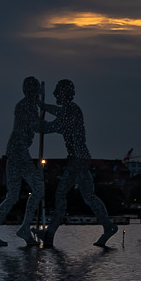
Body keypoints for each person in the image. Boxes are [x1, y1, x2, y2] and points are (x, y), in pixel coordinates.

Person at [42, 78, 117, 248]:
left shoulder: (72, 111)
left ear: (65, 94)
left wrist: (40, 105)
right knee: (88, 196)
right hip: (77, 158)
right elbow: (49, 125)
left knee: (62, 193)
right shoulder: (67, 112)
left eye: (57, 92)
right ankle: (108, 226)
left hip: (78, 159)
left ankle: (51, 231)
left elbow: (49, 125)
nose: (55, 95)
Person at [0, 77, 53, 248]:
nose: (35, 94)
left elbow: (37, 125)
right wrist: (58, 125)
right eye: (33, 91)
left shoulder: (27, 105)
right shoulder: (26, 106)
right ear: (29, 91)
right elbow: (38, 127)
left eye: (36, 91)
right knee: (38, 187)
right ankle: (24, 228)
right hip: (19, 152)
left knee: (12, 196)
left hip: (14, 152)